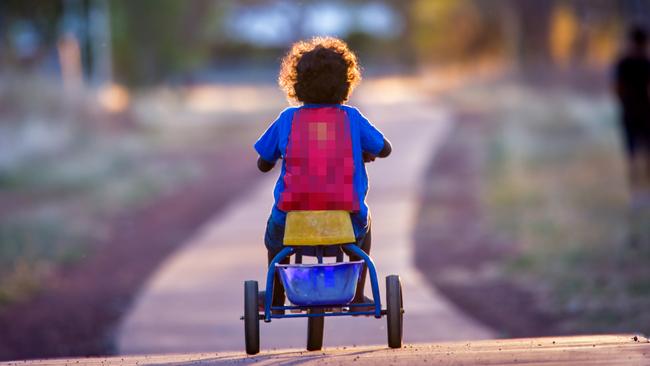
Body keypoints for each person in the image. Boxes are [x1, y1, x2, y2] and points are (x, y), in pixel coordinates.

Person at [253, 37, 392, 310]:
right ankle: (357, 294)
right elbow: (384, 148)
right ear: (347, 82)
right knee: (366, 228)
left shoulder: (287, 120)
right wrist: (363, 151)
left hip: (291, 220)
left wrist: (276, 158)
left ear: (295, 82)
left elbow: (263, 162)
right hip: (347, 220)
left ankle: (275, 295)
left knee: (273, 241)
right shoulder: (351, 118)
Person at [613, 25, 650, 190]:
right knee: (645, 151)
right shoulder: (646, 63)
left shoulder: (623, 63)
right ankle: (643, 186)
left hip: (629, 112)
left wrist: (623, 102)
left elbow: (617, 88)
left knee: (631, 153)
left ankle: (635, 188)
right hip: (645, 113)